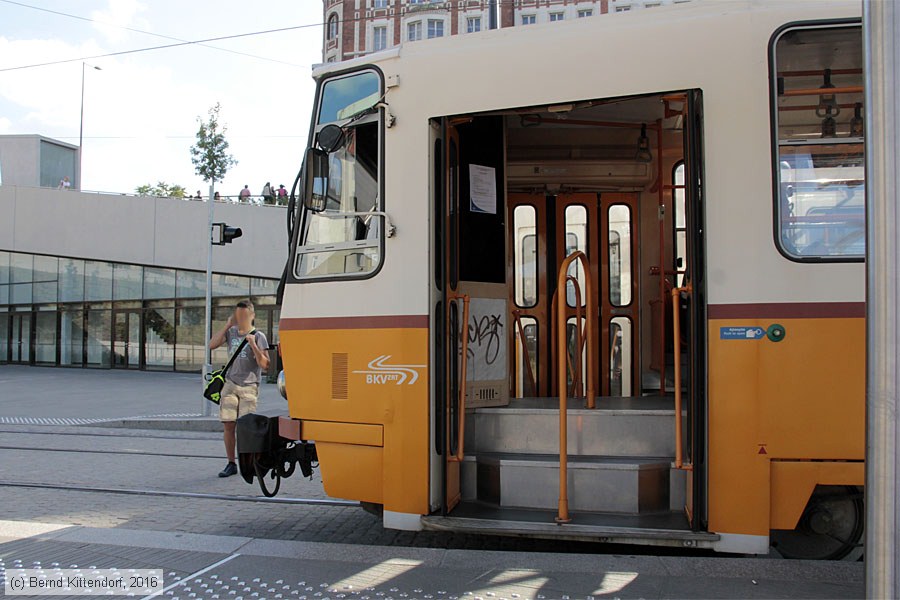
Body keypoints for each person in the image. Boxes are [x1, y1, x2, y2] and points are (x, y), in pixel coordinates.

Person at [209, 300, 270, 477]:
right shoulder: (231, 332)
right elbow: (212, 345)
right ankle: (231, 463)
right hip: (230, 384)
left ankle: (249, 463)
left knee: (246, 427)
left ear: (252, 316)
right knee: (228, 424)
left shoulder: (259, 336)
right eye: (238, 315)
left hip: (249, 386)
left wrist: (253, 345)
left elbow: (265, 365)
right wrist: (228, 324)